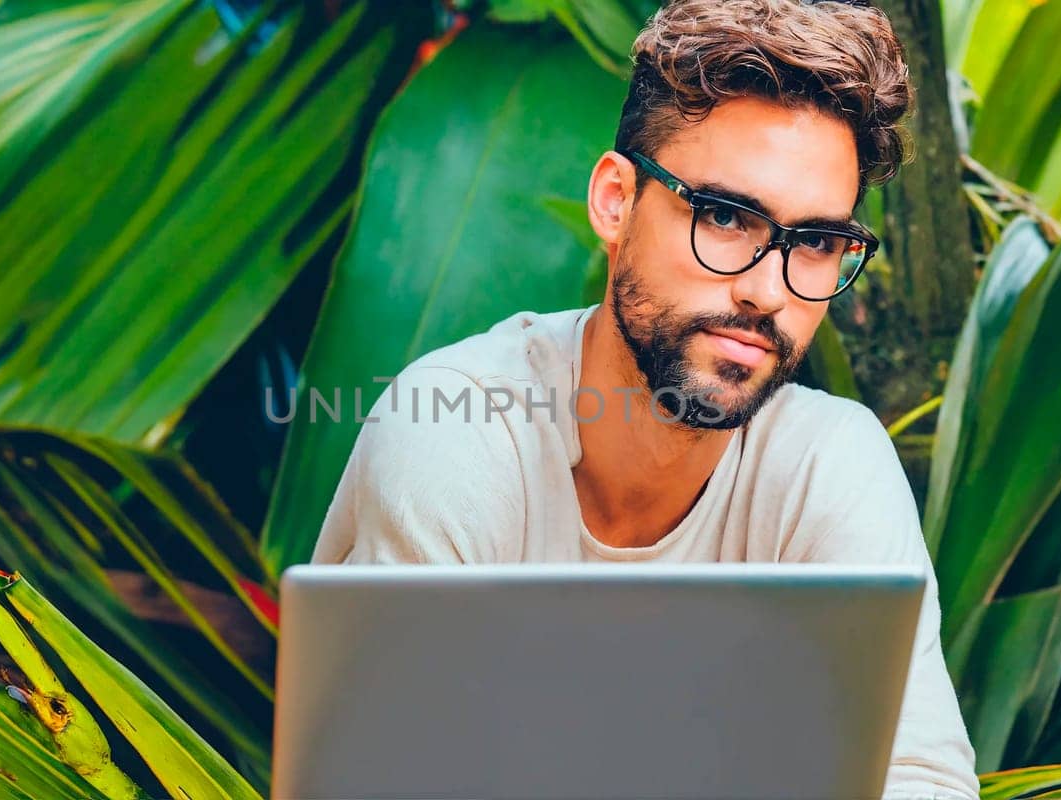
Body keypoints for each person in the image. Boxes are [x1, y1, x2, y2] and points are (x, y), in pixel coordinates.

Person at [309, 0, 980, 795]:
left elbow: (920, 775)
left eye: (817, 244)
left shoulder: (829, 465)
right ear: (616, 202)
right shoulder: (459, 433)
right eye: (726, 217)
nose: (769, 291)